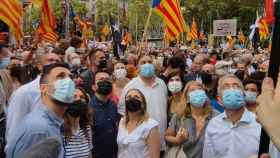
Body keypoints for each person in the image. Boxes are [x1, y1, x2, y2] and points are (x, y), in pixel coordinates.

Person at [6, 63, 76, 158]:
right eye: (61, 76)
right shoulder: (39, 130)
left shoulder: (52, 123)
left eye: (71, 77)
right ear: (43, 88)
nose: (68, 81)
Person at [203, 74, 261, 158]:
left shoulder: (259, 123)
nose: (232, 90)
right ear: (219, 99)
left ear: (243, 95)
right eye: (226, 87)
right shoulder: (213, 124)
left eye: (236, 86)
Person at [119, 55, 168, 153]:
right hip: (140, 144)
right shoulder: (130, 86)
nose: (147, 64)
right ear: (137, 66)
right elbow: (123, 112)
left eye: (150, 62)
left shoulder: (162, 84)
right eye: (143, 62)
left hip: (161, 140)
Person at [6, 52, 61, 137]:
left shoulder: (61, 91)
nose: (55, 63)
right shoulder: (25, 92)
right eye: (50, 60)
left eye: (58, 61)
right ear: (39, 66)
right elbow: (14, 128)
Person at [165, 81, 217, 158]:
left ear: (205, 96)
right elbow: (167, 136)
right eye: (192, 90)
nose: (197, 92)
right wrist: (177, 140)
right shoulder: (179, 115)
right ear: (187, 99)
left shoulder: (215, 116)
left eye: (200, 89)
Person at [117, 89, 160, 158]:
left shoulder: (151, 125)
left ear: (143, 104)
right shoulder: (122, 122)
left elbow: (154, 156)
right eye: (129, 97)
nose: (132, 99)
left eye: (136, 97)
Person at [90, 71, 118, 158]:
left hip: (113, 153)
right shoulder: (88, 108)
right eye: (101, 80)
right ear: (94, 87)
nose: (105, 82)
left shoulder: (113, 105)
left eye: (107, 80)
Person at [63, 87, 93, 158]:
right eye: (74, 97)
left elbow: (89, 155)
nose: (78, 99)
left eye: (82, 97)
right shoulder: (60, 131)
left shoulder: (86, 128)